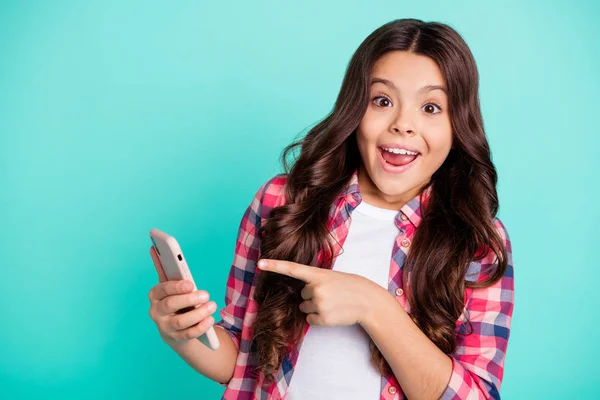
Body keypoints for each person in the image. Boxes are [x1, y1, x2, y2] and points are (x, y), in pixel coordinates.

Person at [148, 18, 514, 400]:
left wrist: (374, 307)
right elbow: (241, 360)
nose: (404, 125)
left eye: (431, 107)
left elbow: (476, 395)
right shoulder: (282, 202)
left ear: (459, 126)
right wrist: (184, 334)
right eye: (383, 101)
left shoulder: (478, 241)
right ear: (355, 110)